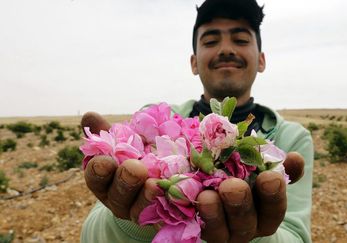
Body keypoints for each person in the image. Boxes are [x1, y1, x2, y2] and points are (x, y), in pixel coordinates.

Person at [80, 0, 314, 242]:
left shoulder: (292, 138)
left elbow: (297, 236)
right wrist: (148, 218)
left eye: (241, 40)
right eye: (211, 41)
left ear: (262, 60)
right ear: (193, 62)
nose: (225, 49)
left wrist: (253, 233)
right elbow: (91, 234)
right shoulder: (153, 121)